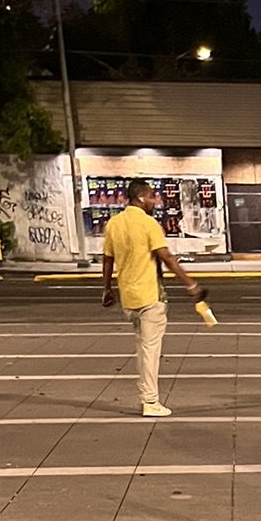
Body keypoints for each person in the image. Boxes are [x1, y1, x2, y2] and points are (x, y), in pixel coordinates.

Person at [101, 179, 203, 417]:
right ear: (140, 198)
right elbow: (165, 256)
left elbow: (108, 259)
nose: (155, 201)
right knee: (150, 351)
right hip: (150, 296)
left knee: (142, 348)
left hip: (128, 297)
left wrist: (107, 289)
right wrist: (191, 284)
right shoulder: (149, 224)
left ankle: (149, 397)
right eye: (152, 197)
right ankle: (150, 401)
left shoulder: (114, 224)